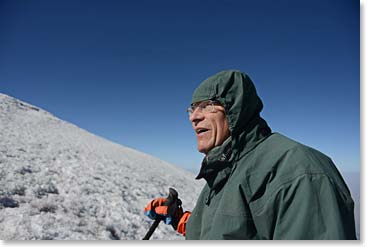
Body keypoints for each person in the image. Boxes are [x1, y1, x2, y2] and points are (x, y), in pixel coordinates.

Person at [144, 70, 357, 240]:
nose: (194, 117)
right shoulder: (226, 170)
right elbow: (230, 231)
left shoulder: (298, 172)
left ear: (235, 109)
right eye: (192, 109)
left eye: (206, 106)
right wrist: (180, 219)